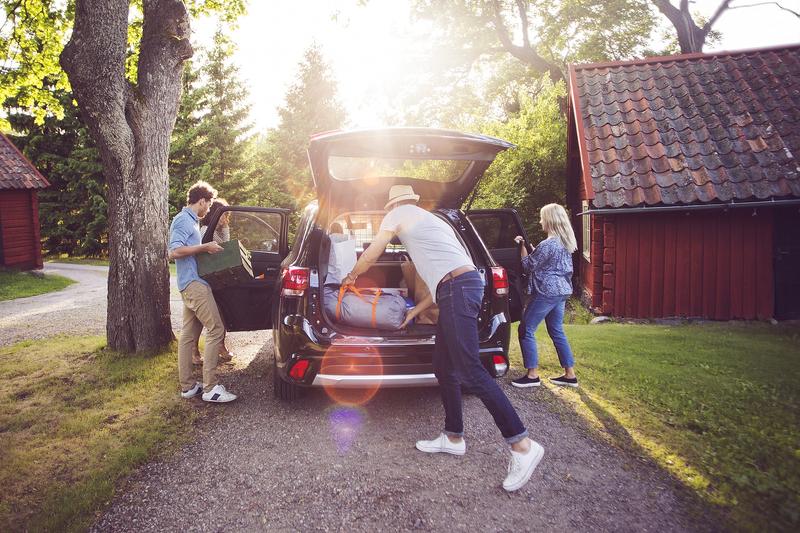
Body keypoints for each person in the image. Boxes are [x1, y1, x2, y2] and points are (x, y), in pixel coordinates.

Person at [343, 185, 544, 492]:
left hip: (458, 290)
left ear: (392, 206)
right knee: (443, 366)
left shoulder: (397, 214)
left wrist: (351, 275)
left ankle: (522, 444)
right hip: (458, 287)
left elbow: (373, 252)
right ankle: (453, 437)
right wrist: (416, 312)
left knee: (470, 370)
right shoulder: (435, 221)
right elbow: (447, 276)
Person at [168, 181, 237, 403]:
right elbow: (174, 252)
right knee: (216, 328)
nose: (208, 210)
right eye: (208, 205)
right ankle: (211, 388)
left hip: (190, 283)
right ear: (201, 201)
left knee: (188, 336)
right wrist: (204, 247)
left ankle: (188, 386)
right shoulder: (182, 221)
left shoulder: (191, 222)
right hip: (194, 285)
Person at [511, 203, 579, 389]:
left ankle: (532, 375)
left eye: (542, 217)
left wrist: (522, 246)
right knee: (556, 330)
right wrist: (532, 248)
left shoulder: (548, 244)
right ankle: (569, 375)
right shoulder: (565, 242)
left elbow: (528, 266)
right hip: (562, 290)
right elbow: (545, 262)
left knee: (526, 329)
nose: (540, 221)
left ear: (549, 219)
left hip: (547, 291)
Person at [195, 198, 234, 365]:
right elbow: (223, 250)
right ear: (215, 215)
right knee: (204, 318)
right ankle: (197, 351)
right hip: (206, 278)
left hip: (216, 278)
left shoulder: (217, 230)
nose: (226, 219)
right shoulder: (206, 230)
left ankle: (219, 347)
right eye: (223, 216)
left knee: (217, 314)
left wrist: (224, 226)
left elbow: (226, 245)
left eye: (227, 216)